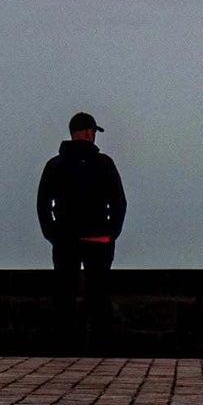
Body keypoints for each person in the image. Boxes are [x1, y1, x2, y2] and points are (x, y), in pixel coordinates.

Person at [37, 112, 127, 345]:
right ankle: (100, 342)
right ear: (89, 132)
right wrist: (111, 232)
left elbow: (43, 203)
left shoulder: (55, 164)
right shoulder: (103, 163)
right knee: (98, 293)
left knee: (64, 292)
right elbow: (118, 201)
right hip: (98, 238)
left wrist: (52, 233)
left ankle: (64, 342)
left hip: (65, 238)